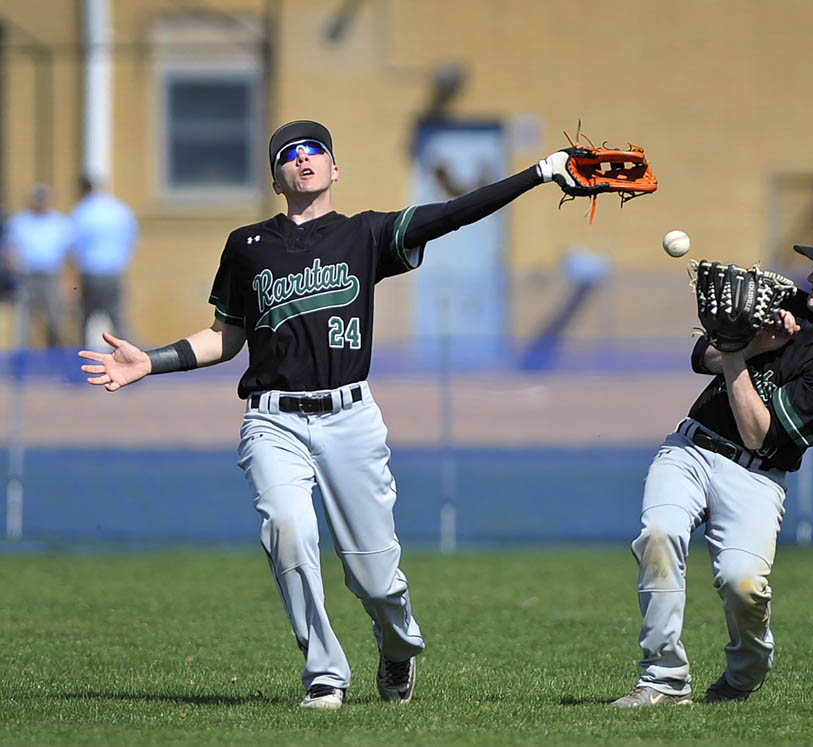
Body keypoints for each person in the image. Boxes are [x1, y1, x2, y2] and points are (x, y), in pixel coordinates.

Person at [79, 119, 575, 710]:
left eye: (315, 150)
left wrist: (540, 173)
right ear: (277, 177)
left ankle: (396, 648)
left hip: (350, 419)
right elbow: (225, 338)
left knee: (375, 578)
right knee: (286, 531)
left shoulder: (365, 236)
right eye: (289, 154)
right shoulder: (248, 245)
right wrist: (150, 362)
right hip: (272, 419)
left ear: (334, 167)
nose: (303, 159)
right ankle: (325, 673)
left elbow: (453, 212)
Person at [611, 228, 813, 708]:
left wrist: (740, 353)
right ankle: (663, 680)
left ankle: (746, 670)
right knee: (658, 534)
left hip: (756, 475)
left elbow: (759, 435)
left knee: (742, 584)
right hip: (689, 449)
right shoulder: (785, 302)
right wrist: (755, 342)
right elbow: (702, 357)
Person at [70, 175, 139, 346]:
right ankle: (133, 356)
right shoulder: (119, 209)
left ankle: (81, 363)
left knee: (84, 321)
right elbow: (132, 238)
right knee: (118, 319)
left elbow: (72, 246)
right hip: (114, 273)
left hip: (90, 274)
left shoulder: (82, 211)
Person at [4, 184, 73, 346]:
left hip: (51, 277)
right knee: (23, 323)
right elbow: (10, 249)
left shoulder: (60, 222)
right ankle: (21, 365)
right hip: (26, 277)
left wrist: (70, 282)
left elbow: (70, 255)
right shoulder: (20, 222)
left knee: (55, 321)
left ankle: (57, 361)